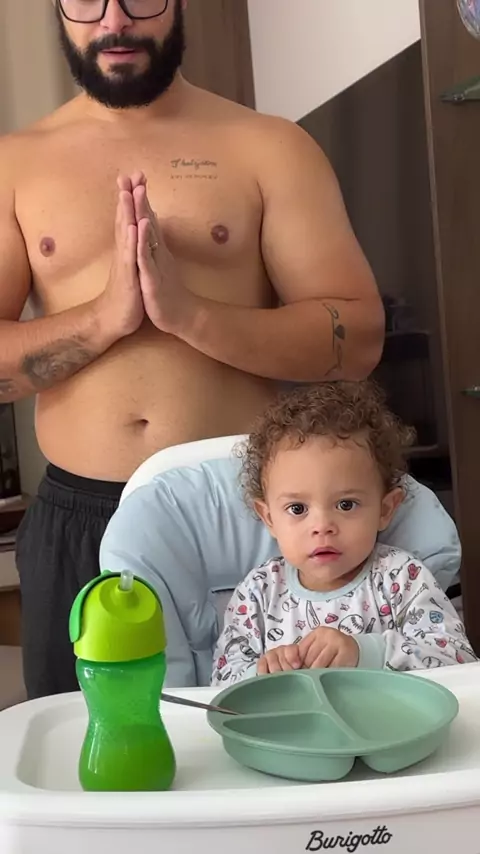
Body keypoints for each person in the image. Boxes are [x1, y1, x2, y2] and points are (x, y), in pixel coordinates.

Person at [0, 0, 383, 699]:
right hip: (80, 521)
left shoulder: (269, 147)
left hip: (250, 511)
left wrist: (190, 315)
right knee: (90, 750)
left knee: (265, 738)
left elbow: (357, 338)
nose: (114, 20)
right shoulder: (14, 164)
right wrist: (104, 319)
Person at [212, 382, 476, 686]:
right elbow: (220, 682)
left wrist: (365, 652)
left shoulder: (401, 578)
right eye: (297, 509)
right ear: (269, 518)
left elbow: (457, 659)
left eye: (346, 504)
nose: (322, 526)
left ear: (385, 509)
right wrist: (261, 674)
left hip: (382, 716)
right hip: (286, 717)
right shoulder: (258, 593)